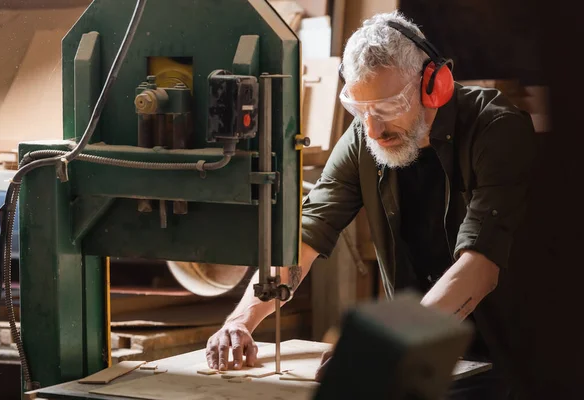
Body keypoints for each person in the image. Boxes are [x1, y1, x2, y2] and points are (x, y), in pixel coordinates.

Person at [206, 10, 541, 400]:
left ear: (434, 85)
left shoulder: (498, 130)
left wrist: (385, 344)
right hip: (420, 354)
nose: (373, 130)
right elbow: (309, 231)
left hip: (511, 359)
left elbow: (479, 269)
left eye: (386, 109)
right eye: (361, 111)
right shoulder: (365, 137)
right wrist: (242, 319)